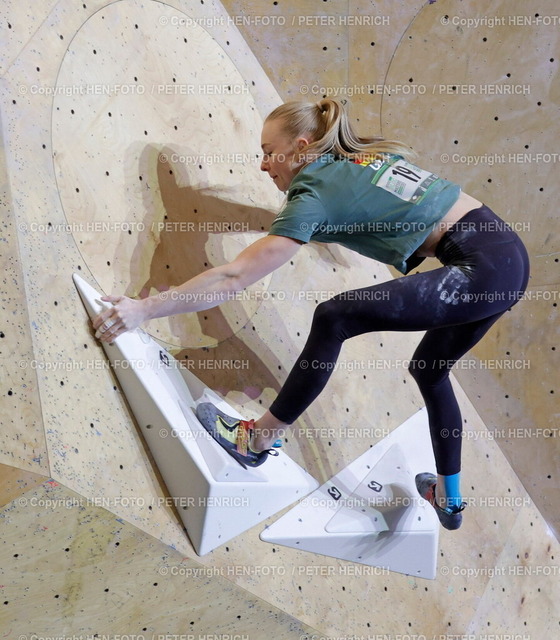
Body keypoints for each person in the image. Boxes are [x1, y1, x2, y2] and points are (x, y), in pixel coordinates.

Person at [92, 99, 530, 530]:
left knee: (334, 317)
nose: (263, 165)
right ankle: (449, 499)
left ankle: (255, 439)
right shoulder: (350, 158)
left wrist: (144, 308)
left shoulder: (314, 195)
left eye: (269, 152)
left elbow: (233, 277)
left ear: (302, 147)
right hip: (507, 255)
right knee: (430, 371)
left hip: (482, 267)